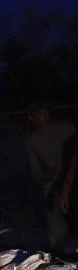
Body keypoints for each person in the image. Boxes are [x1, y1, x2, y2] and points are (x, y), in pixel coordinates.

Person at [26, 101, 77, 251]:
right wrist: (47, 175)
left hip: (73, 179)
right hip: (53, 186)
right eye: (40, 113)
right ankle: (59, 257)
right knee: (56, 226)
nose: (44, 116)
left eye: (45, 111)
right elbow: (36, 173)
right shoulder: (33, 141)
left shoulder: (66, 128)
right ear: (32, 118)